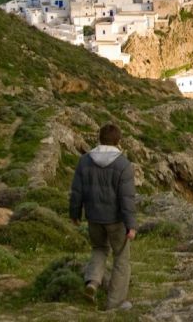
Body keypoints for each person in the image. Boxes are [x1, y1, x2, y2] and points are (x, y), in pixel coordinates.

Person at [69, 123, 137, 311]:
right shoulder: (123, 165)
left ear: (99, 138)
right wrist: (131, 225)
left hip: (93, 218)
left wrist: (75, 214)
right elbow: (127, 198)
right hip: (116, 221)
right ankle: (115, 303)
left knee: (99, 249)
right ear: (118, 141)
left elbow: (76, 192)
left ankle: (92, 282)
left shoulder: (84, 161)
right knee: (121, 258)